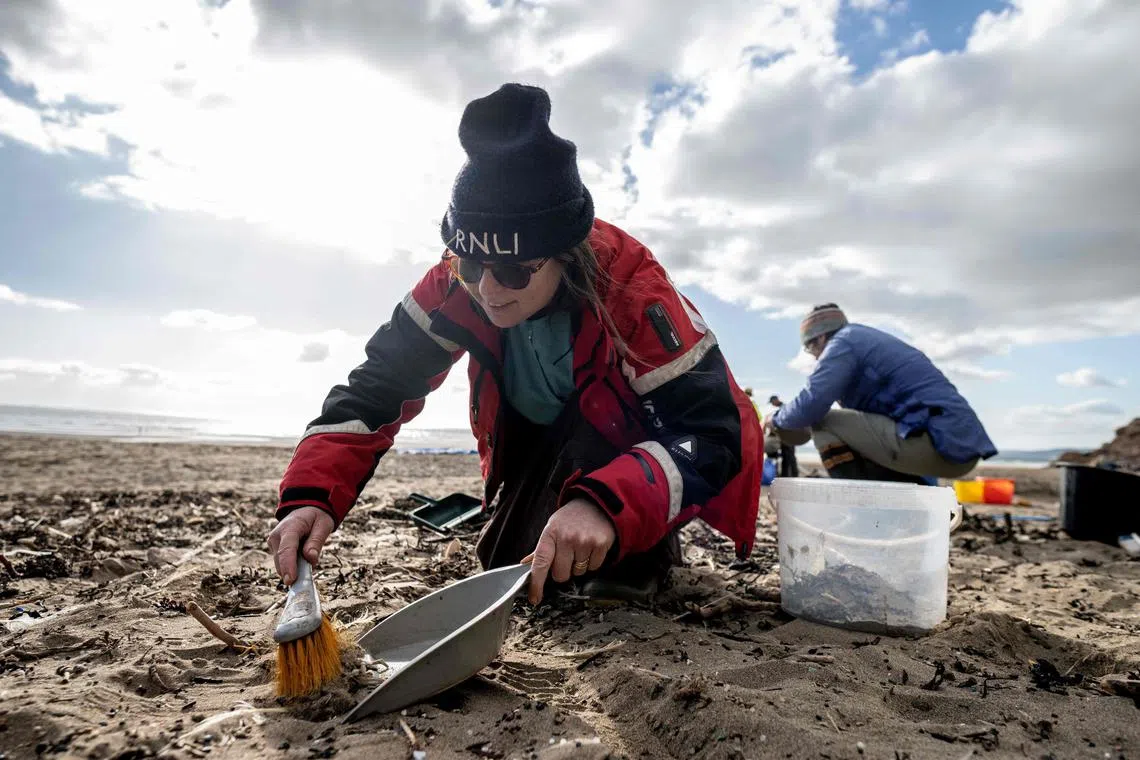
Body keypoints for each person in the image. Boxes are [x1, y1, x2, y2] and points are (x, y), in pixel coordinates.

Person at [266, 83, 762, 606]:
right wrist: (309, 498)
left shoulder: (633, 289)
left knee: (597, 578)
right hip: (532, 444)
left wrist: (604, 507)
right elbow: (376, 389)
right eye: (472, 264)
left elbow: (711, 437)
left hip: (628, 447)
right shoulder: (451, 283)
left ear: (565, 255)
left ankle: (641, 543)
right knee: (508, 564)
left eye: (512, 271)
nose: (487, 290)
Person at [766, 303, 997, 483]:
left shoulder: (843, 343)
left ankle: (859, 510)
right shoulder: (863, 341)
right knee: (856, 432)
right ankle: (904, 510)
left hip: (939, 442)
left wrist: (775, 418)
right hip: (950, 441)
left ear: (822, 337)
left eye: (810, 347)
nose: (815, 356)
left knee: (824, 423)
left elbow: (811, 404)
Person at [765, 395, 799, 477]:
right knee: (788, 457)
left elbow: (784, 423)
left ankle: (791, 475)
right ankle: (788, 475)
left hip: (788, 437)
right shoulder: (784, 408)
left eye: (772, 402)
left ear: (775, 400)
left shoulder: (784, 408)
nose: (772, 405)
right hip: (787, 437)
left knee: (788, 457)